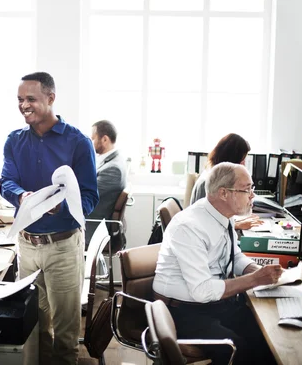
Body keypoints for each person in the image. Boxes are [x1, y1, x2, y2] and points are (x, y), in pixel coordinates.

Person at [0, 72, 99, 364]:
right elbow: (6, 181)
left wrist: (63, 207)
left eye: (31, 99)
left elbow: (90, 198)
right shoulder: (14, 141)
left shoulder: (78, 142)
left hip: (63, 246)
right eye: (20, 100)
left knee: (65, 336)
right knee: (34, 327)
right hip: (27, 245)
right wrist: (21, 196)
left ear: (51, 98)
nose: (24, 105)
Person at [153, 162, 282, 365]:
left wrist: (255, 270)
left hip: (214, 304)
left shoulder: (224, 216)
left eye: (252, 189)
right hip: (182, 311)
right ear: (224, 193)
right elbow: (202, 291)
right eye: (246, 189)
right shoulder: (189, 227)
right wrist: (255, 279)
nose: (252, 196)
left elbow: (234, 256)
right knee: (239, 349)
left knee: (269, 337)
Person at [190, 133, 261, 230]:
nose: (244, 165)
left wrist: (238, 220)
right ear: (231, 159)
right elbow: (203, 223)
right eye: (242, 160)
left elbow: (218, 215)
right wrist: (237, 225)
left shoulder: (218, 177)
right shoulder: (207, 182)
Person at [85, 120, 127, 249]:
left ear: (104, 139)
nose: (90, 143)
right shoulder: (113, 160)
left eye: (93, 139)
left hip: (93, 227)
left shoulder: (112, 169)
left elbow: (89, 194)